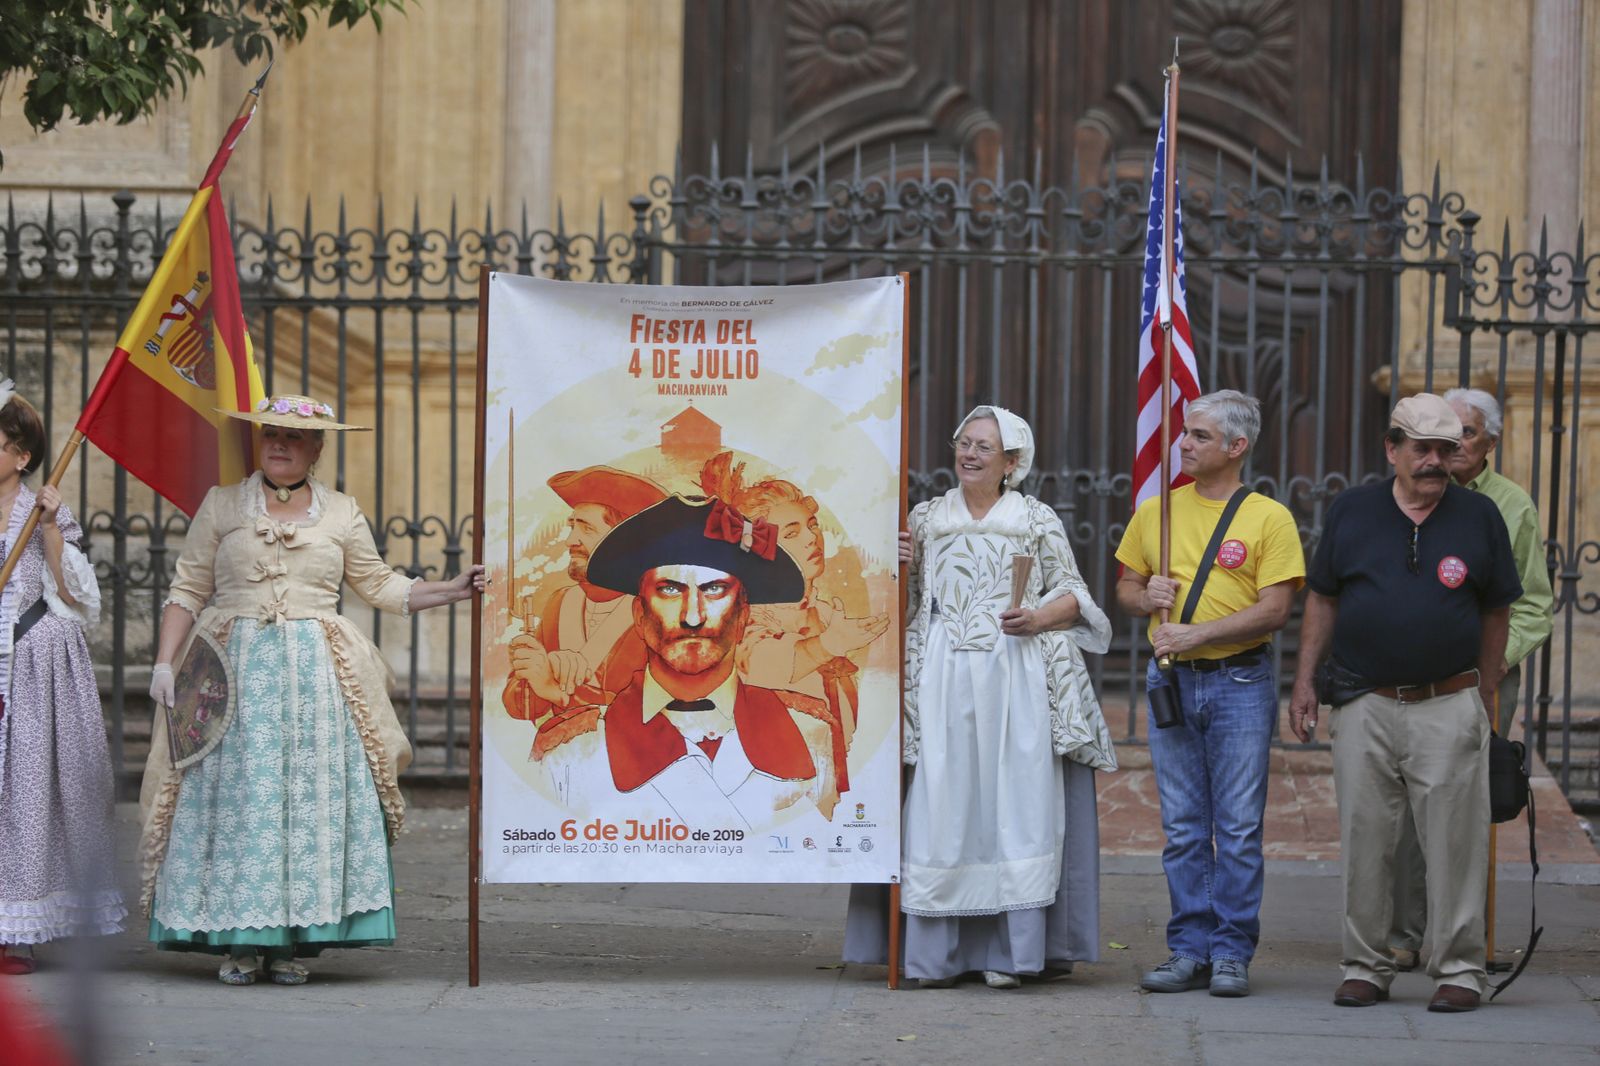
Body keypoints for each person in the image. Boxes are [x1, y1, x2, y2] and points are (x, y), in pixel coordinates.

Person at [139, 393, 485, 986]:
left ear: (317, 448)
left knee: (306, 804)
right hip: (230, 672)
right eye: (271, 434)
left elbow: (379, 585)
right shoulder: (223, 504)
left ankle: (289, 944)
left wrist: (451, 589)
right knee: (242, 802)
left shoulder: (342, 512)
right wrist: (165, 665)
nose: (279, 444)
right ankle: (239, 942)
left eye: (294, 437)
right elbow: (188, 588)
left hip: (316, 680)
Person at [844, 405, 1115, 990]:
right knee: (943, 803)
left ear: (1012, 462)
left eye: (983, 447)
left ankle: (1009, 952)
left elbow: (1074, 594)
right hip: (940, 673)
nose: (968, 454)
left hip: (1014, 676)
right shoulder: (924, 518)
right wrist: (899, 570)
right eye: (963, 442)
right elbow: (902, 610)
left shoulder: (1036, 518)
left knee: (1014, 806)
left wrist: (1037, 616)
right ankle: (936, 955)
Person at [1290, 393, 1520, 1014]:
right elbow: (1323, 597)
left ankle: (1460, 970)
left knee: (1455, 843)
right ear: (1392, 449)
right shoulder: (1352, 510)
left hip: (1448, 699)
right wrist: (1305, 681)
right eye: (1422, 448)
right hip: (1364, 701)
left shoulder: (1480, 517)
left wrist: (1485, 688)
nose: (1435, 461)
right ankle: (1366, 965)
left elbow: (1497, 608)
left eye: (1446, 449)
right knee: (1366, 840)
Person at [1115, 390, 1304, 998]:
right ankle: (1189, 948)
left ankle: (1231, 951)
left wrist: (1197, 632)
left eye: (1199, 435)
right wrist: (1145, 597)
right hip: (1171, 680)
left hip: (1239, 681)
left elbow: (1275, 609)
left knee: (1240, 827)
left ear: (1236, 446)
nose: (1184, 444)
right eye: (1184, 432)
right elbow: (1125, 587)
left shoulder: (1268, 518)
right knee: (1184, 826)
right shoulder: (1157, 512)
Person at [542, 494, 848, 827]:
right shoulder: (571, 751)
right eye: (670, 590)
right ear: (640, 616)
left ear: (743, 616)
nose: (692, 617)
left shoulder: (809, 731)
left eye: (714, 589)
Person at [1386, 387, 1555, 972]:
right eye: (1443, 432)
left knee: (1466, 801)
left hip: (1481, 677)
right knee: (1404, 804)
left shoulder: (1510, 506)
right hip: (1408, 674)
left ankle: (1464, 939)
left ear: (1491, 444)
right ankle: (1402, 934)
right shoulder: (1403, 494)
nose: (1452, 444)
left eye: (1466, 434)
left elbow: (1534, 604)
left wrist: (1493, 660)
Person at [0, 381, 126, 975]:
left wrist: (50, 526)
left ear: (22, 455)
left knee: (27, 795)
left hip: (28, 665)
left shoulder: (43, 512)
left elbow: (74, 596)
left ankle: (15, 931)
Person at [698, 451, 891, 746]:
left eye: (812, 525)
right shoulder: (742, 617)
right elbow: (763, 664)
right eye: (791, 534)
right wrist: (828, 644)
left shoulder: (825, 613)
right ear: (757, 553)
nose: (812, 537)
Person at [501, 466, 666, 764]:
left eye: (586, 529)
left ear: (624, 541)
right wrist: (532, 669)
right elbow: (519, 706)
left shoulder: (661, 613)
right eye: (572, 526)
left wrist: (557, 692)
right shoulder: (560, 603)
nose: (570, 540)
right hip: (558, 768)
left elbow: (661, 713)